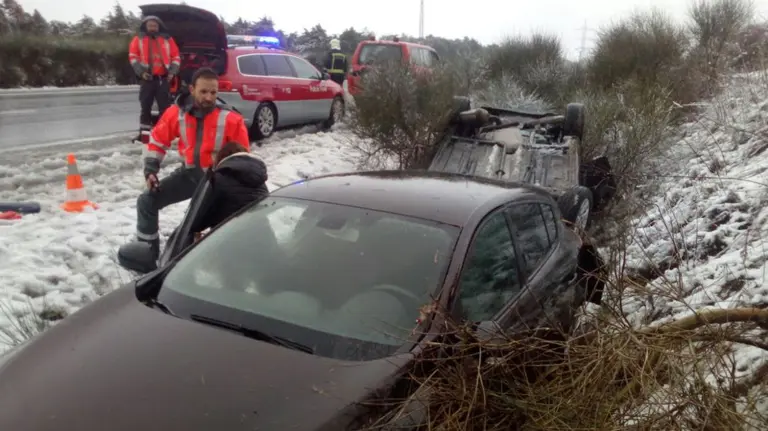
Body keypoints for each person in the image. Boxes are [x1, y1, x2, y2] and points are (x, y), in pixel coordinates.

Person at [134, 67, 250, 259]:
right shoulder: (176, 113)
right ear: (192, 89)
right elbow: (157, 141)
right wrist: (151, 171)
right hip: (189, 176)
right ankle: (146, 256)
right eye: (203, 91)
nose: (209, 98)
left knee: (191, 232)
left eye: (213, 92)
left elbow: (243, 159)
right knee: (146, 201)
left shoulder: (231, 119)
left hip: (217, 182)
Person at [190, 141, 269, 238]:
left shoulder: (218, 179)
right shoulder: (260, 180)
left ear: (221, 159)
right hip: (265, 239)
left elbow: (197, 221)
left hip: (231, 243)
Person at [128, 15, 181, 144]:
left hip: (163, 80)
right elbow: (133, 57)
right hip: (147, 80)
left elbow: (176, 57)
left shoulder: (168, 40)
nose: (153, 28)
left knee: (165, 109)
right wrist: (141, 73)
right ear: (145, 26)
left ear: (159, 26)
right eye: (150, 25)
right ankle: (144, 137)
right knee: (145, 108)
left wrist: (172, 72)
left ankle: (163, 136)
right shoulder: (138, 39)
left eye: (155, 25)